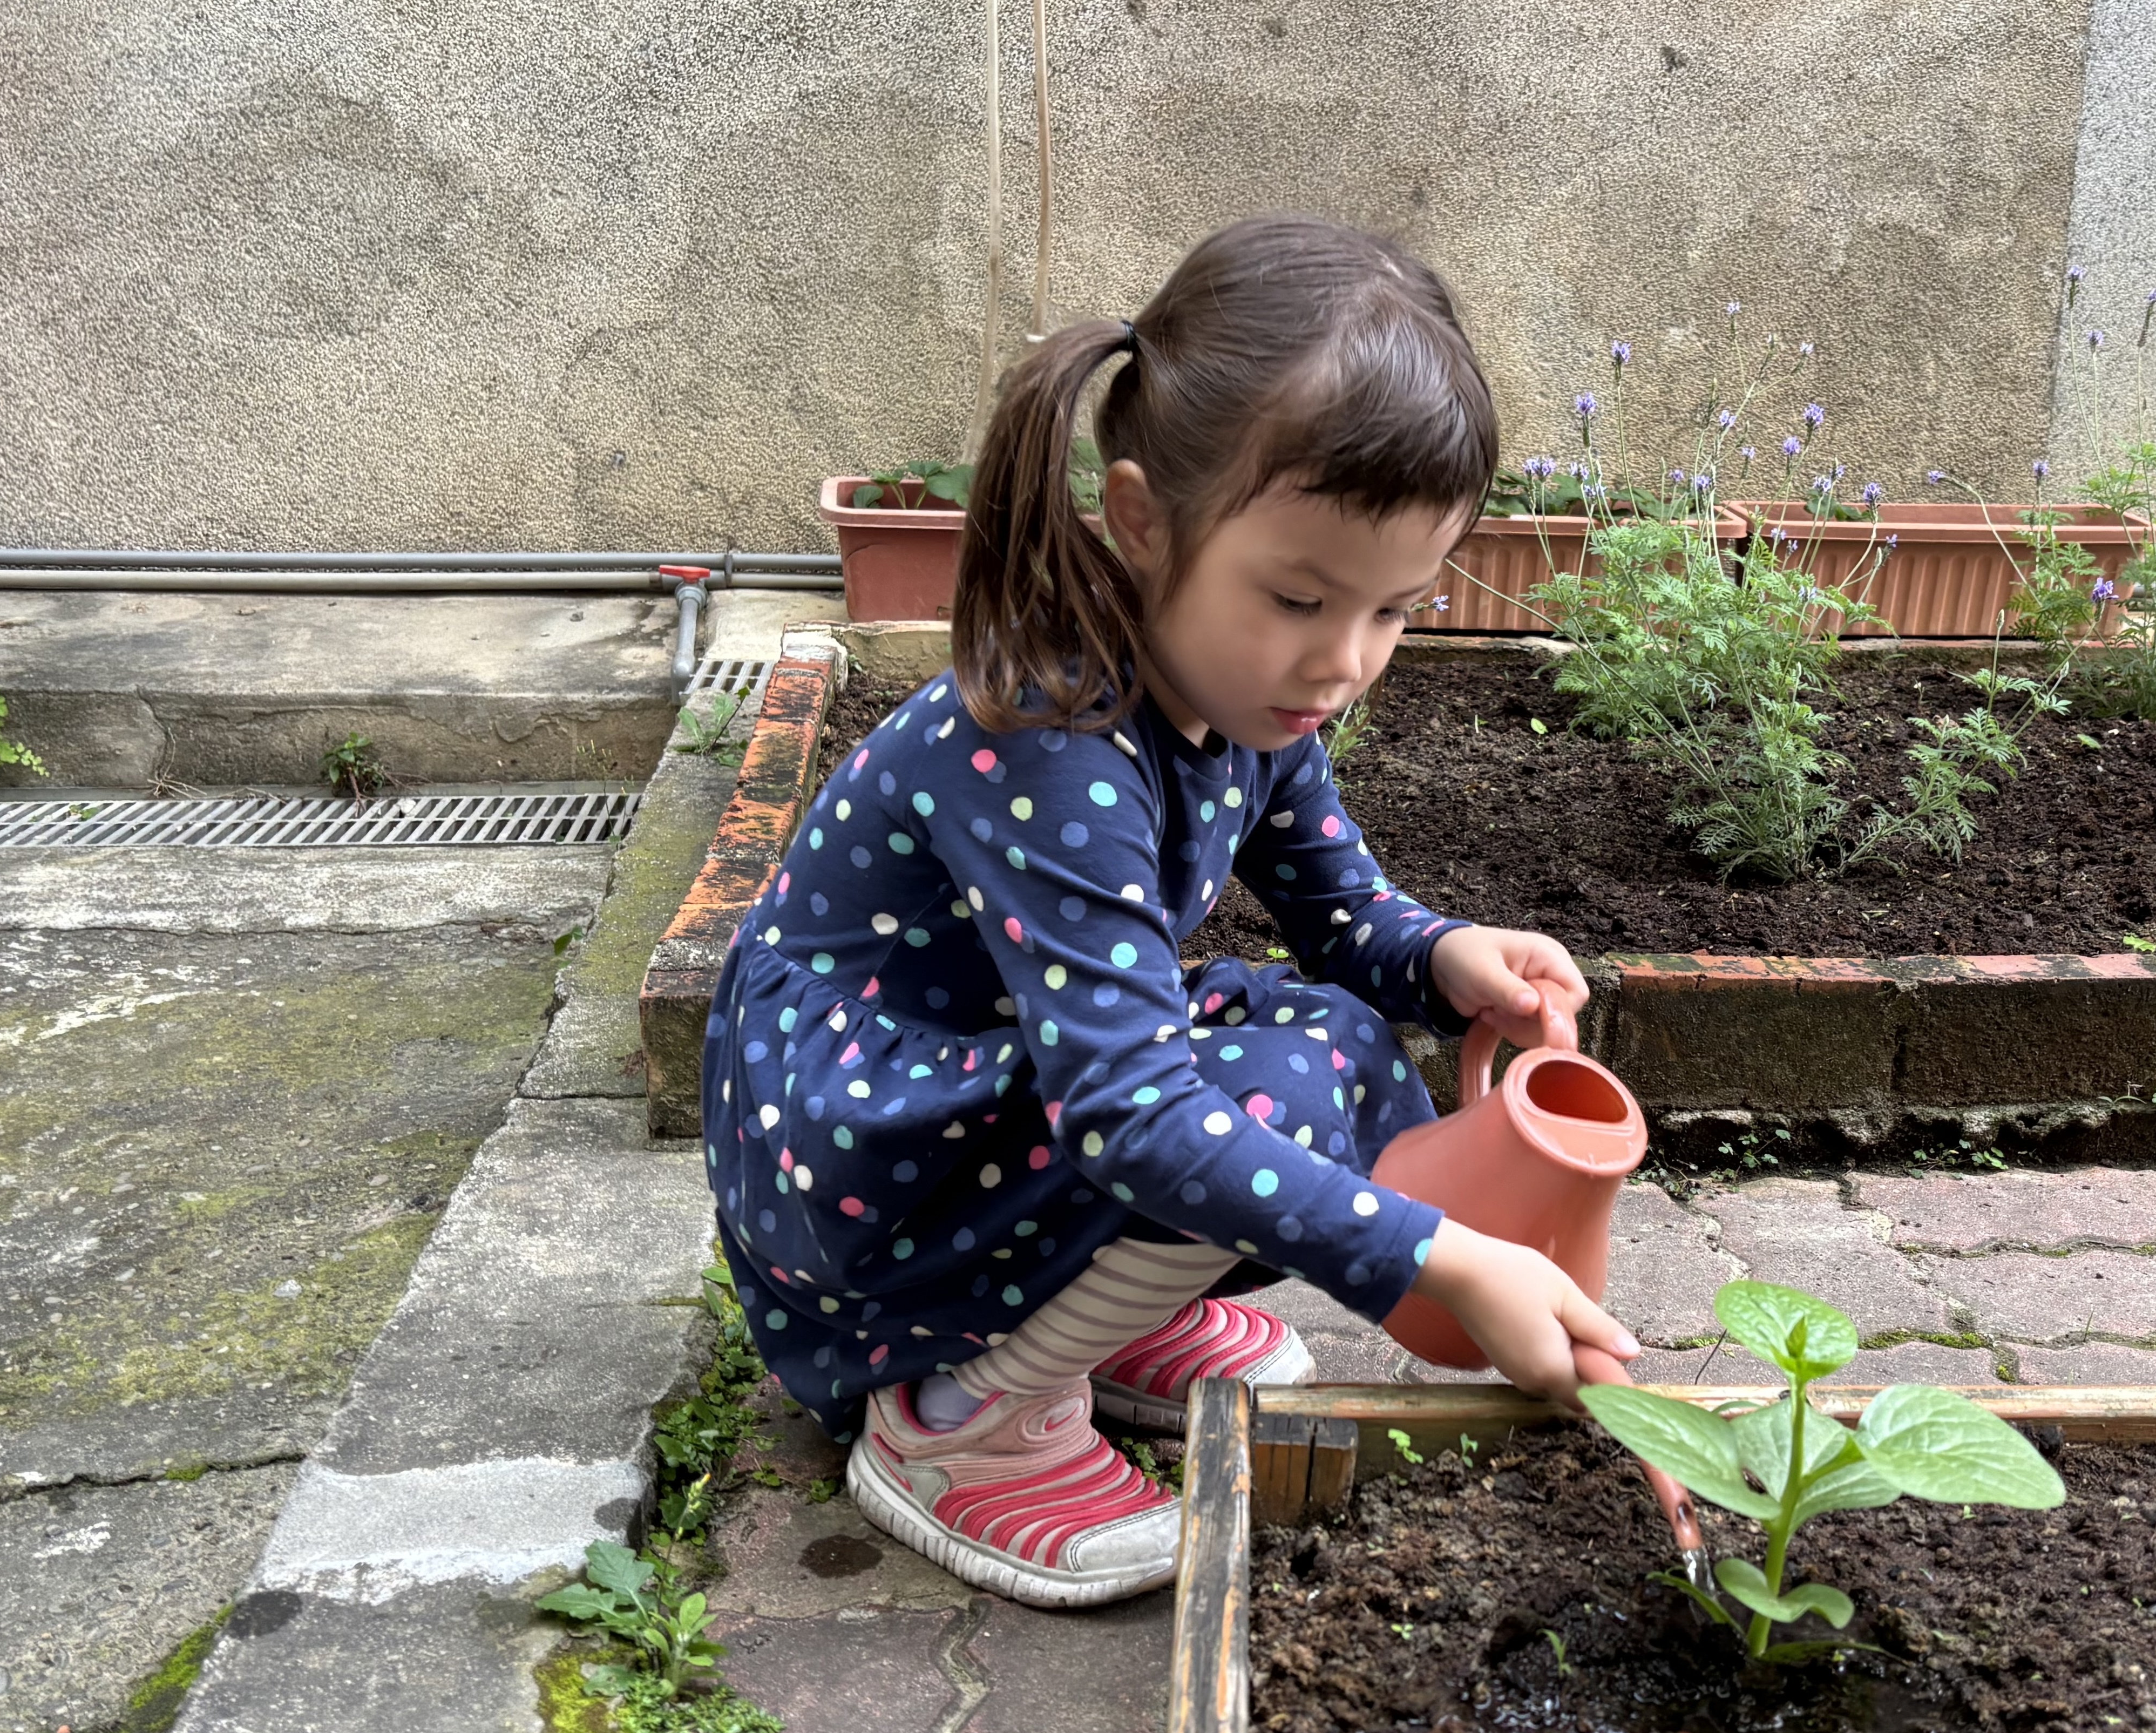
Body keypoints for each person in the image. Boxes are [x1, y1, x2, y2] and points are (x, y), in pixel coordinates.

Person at [699, 214, 1639, 1608]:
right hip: (853, 1158)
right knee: (1257, 1098)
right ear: (1142, 520)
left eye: (1394, 611)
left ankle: (1079, 1324)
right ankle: (957, 1424)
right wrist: (1438, 1253)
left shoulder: (1254, 696)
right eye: (1301, 596)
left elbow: (1341, 912)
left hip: (981, 1110)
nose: (1344, 659)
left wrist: (1446, 955)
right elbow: (1127, 1113)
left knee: (1319, 1046)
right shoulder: (1047, 738)